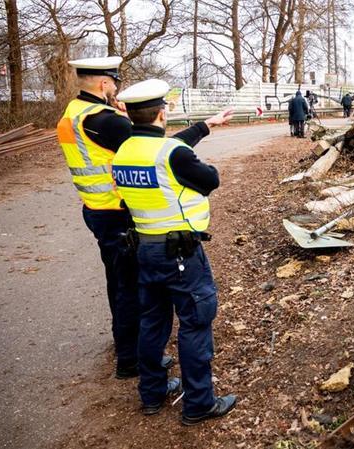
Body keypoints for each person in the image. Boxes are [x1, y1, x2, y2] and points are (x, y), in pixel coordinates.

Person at [58, 56, 202, 379]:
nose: (116, 89)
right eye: (114, 83)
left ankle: (124, 343)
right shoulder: (107, 121)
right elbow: (158, 152)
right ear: (103, 83)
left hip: (94, 209)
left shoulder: (73, 113)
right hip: (117, 213)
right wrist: (203, 128)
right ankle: (130, 359)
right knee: (130, 287)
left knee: (117, 279)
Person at [111, 79, 237, 424]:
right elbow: (210, 179)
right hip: (180, 253)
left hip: (144, 251)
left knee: (152, 322)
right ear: (163, 113)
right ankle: (198, 404)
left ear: (130, 113)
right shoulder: (174, 154)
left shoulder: (123, 151)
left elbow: (161, 150)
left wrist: (206, 126)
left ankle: (152, 394)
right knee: (195, 323)